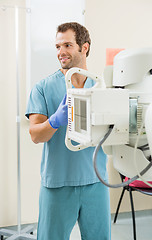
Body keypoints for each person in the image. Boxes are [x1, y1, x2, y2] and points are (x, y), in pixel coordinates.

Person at [25, 22, 111, 240]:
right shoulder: (43, 88)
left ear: (85, 47)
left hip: (95, 181)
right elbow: (35, 135)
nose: (60, 52)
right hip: (58, 184)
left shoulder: (101, 87)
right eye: (57, 46)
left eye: (67, 45)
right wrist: (55, 120)